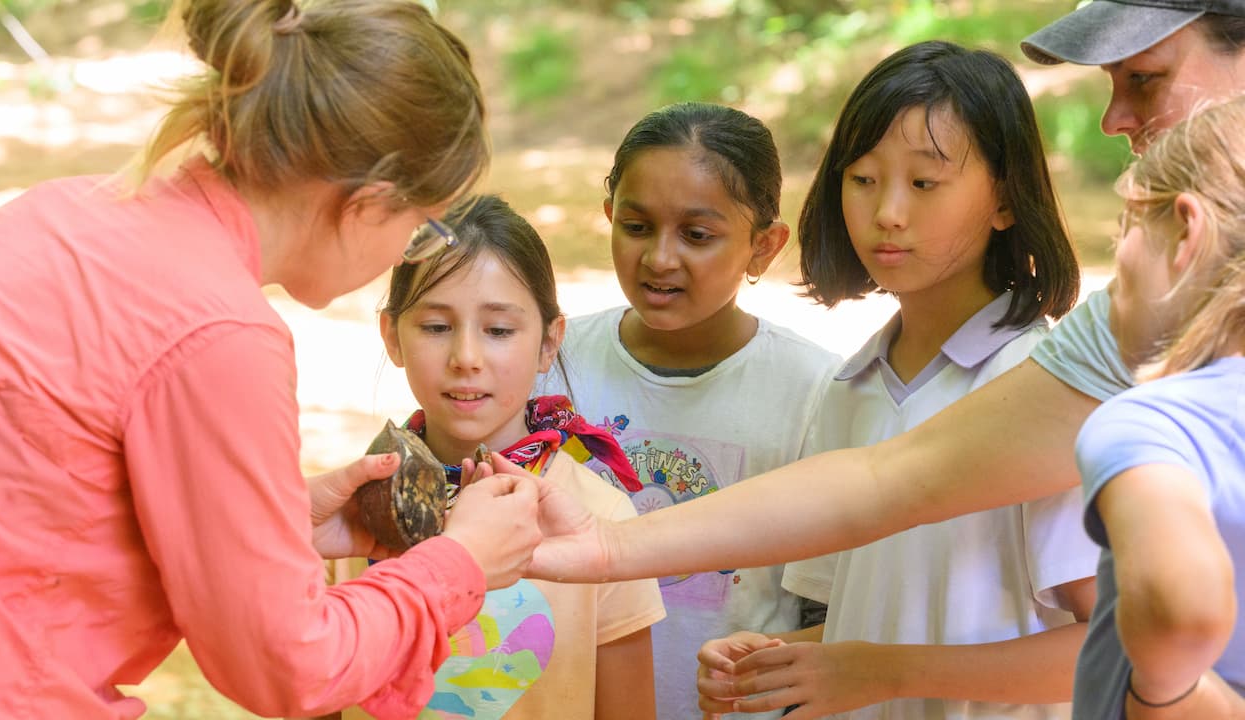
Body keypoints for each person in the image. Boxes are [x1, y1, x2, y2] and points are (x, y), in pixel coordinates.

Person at [517, 0, 1245, 605]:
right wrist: (610, 545)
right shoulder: (1124, 327)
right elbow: (888, 478)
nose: (1114, 119)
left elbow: (1127, 630)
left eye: (1147, 78)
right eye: (863, 178)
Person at [0, 1, 548, 718]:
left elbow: (36, 501)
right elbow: (289, 669)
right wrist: (461, 563)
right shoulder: (221, 333)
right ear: (367, 203)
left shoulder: (66, 211)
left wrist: (274, 522)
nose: (406, 253)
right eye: (420, 227)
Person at [697, 41, 1097, 720]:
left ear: (1006, 199)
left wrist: (884, 671)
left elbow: (1118, 645)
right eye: (863, 178)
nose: (887, 212)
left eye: (923, 182)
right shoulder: (851, 387)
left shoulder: (1040, 393)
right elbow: (865, 624)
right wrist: (773, 662)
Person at [536, 101, 842, 720]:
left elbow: (829, 614)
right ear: (609, 218)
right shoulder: (550, 364)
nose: (660, 259)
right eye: (637, 226)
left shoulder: (817, 391)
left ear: (764, 247)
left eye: (697, 235)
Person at [351, 194, 664, 720]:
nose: (466, 358)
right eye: (435, 327)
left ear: (549, 342)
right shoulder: (350, 512)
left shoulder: (601, 522)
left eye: (498, 330)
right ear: (392, 335)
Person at [1071, 97, 1245, 719]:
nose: (1114, 278)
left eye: (1125, 235)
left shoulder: (1152, 421)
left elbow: (1185, 606)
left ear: (1186, 233)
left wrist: (1168, 693)